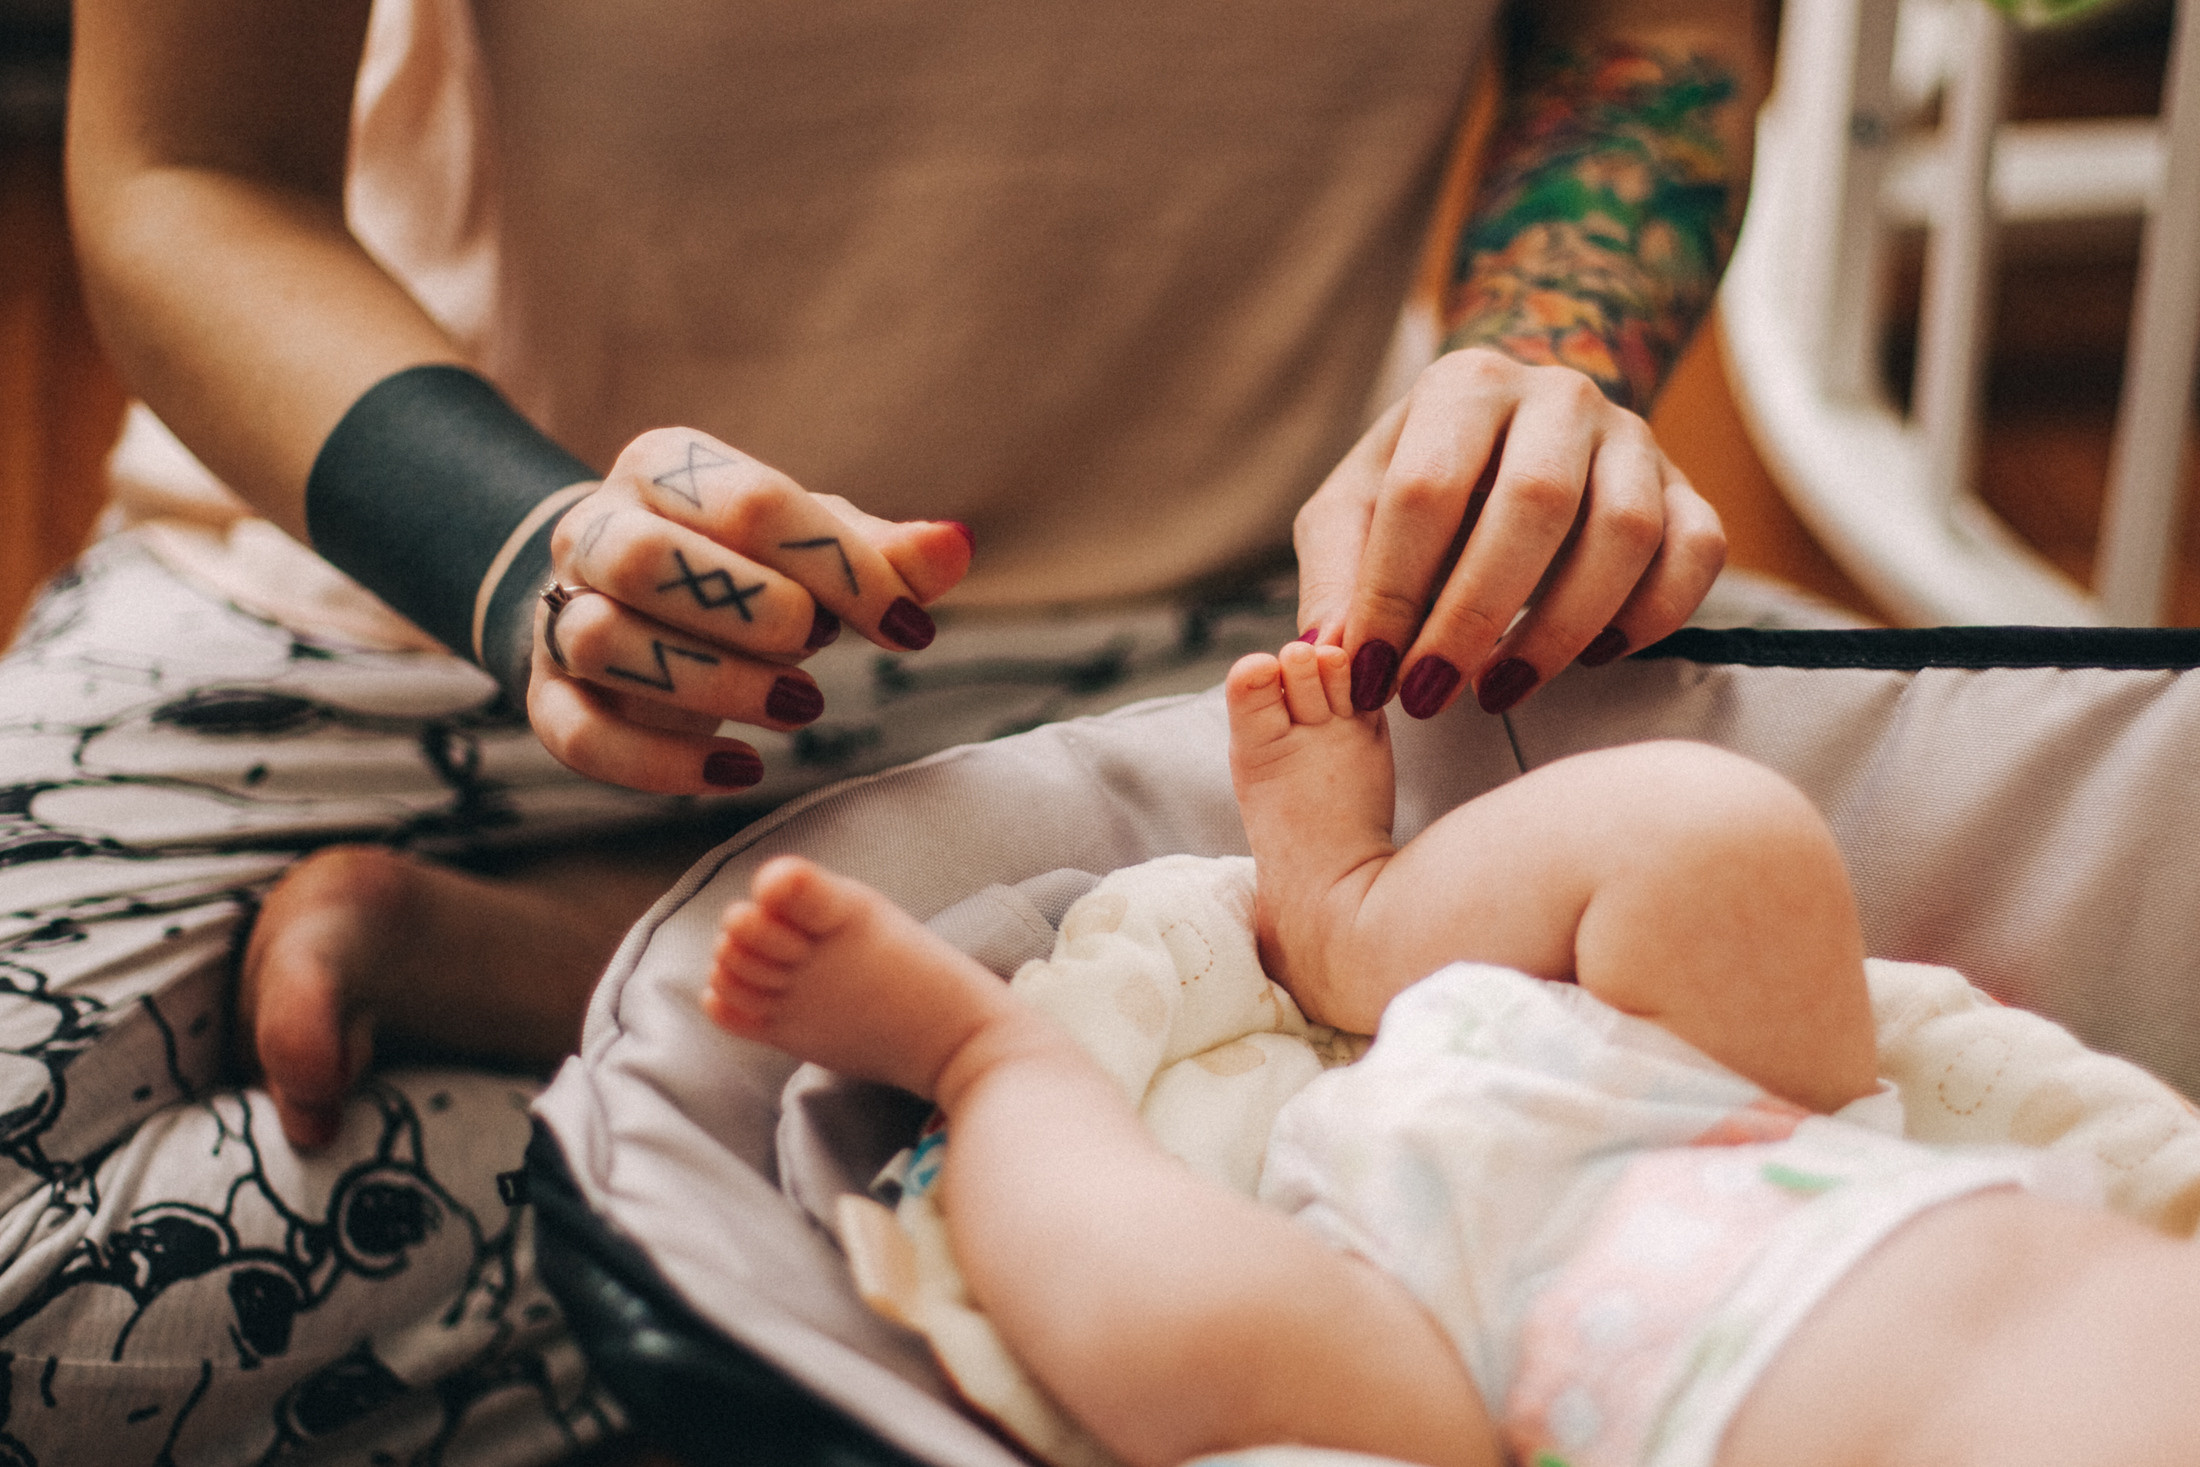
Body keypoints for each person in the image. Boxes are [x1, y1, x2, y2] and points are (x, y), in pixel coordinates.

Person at [0, 0, 1765, 1459]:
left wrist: (1541, 382)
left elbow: (1654, 36)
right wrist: (518, 548)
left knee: (1788, 903)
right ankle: (1018, 1096)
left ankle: (676, 976)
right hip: (420, 589)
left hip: (1260, 621)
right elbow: (184, 170)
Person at [705, 637, 2200, 1467]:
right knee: (1722, 836)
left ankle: (987, 1065)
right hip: (1774, 1130)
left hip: (1498, 1383)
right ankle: (1354, 924)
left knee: (1189, 1352)